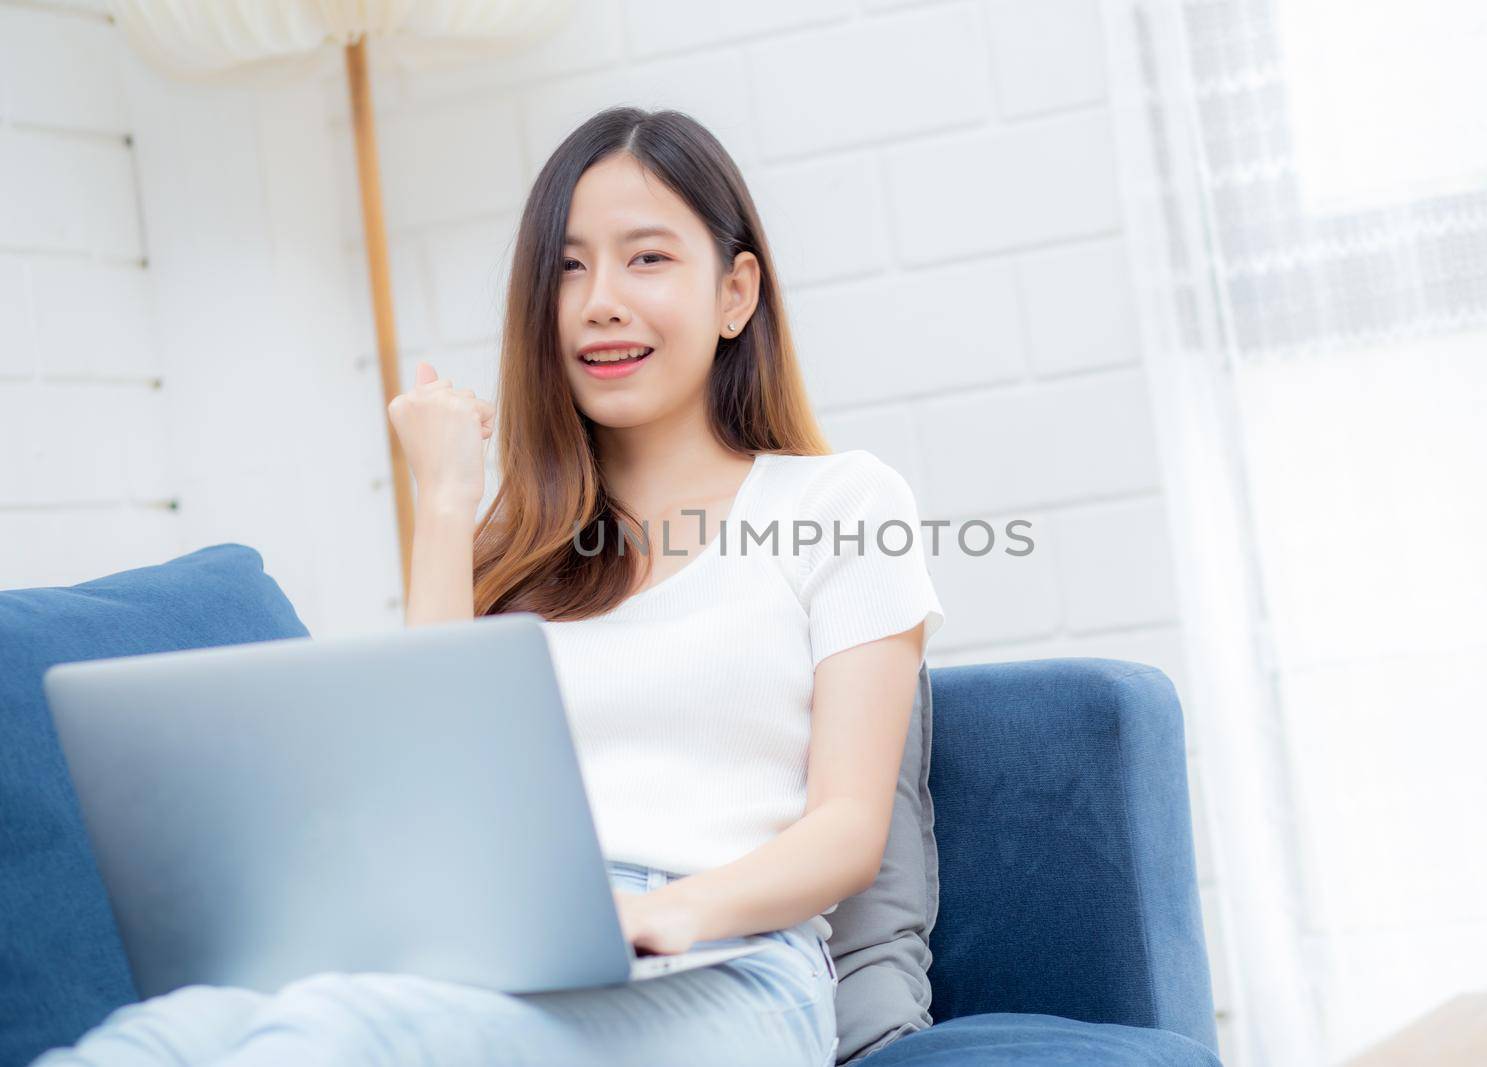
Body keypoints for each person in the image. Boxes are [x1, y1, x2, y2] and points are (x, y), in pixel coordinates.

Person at [34, 106, 944, 1067]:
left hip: (731, 968)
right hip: (497, 955)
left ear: (735, 292)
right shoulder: (523, 544)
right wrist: (446, 498)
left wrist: (659, 913)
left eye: (647, 259)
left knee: (336, 1036)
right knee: (166, 1034)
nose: (599, 300)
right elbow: (424, 787)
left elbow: (847, 829)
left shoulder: (843, 500)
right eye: (568, 267)